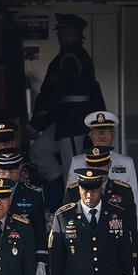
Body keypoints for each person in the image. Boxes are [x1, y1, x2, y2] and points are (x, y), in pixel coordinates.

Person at [29, 14, 105, 181]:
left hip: (73, 122)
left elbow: (56, 92)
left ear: (74, 33)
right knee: (39, 151)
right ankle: (60, 192)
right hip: (63, 120)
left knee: (74, 168)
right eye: (62, 31)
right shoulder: (66, 57)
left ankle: (75, 203)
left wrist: (37, 123)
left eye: (65, 31)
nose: (61, 35)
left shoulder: (72, 57)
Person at [66, 111, 138, 225]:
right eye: (96, 131)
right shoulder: (78, 162)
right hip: (85, 226)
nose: (101, 135)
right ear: (90, 135)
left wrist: (133, 237)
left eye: (106, 131)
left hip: (116, 226)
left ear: (113, 134)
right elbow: (71, 202)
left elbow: (133, 203)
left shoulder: (126, 163)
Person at [64, 146, 138, 230]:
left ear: (110, 165)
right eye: (93, 166)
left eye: (101, 166)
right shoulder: (73, 191)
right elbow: (65, 223)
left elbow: (131, 226)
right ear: (86, 165)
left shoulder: (123, 190)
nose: (96, 170)